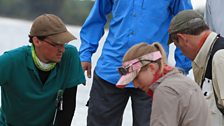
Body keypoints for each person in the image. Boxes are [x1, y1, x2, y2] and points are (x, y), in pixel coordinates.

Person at [79, 0, 193, 125]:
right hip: (111, 70)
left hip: (152, 76)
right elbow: (97, 16)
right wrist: (85, 53)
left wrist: (182, 69)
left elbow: (186, 27)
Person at [0, 14, 85, 126]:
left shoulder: (70, 56)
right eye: (57, 44)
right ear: (36, 41)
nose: (62, 50)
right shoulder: (10, 61)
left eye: (64, 43)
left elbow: (67, 109)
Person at [116, 42, 211, 126]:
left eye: (136, 77)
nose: (135, 85)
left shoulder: (165, 91)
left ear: (152, 68)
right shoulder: (183, 81)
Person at [168, 10, 224, 126]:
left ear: (182, 39)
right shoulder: (209, 56)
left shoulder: (220, 58)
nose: (182, 53)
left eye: (178, 47)